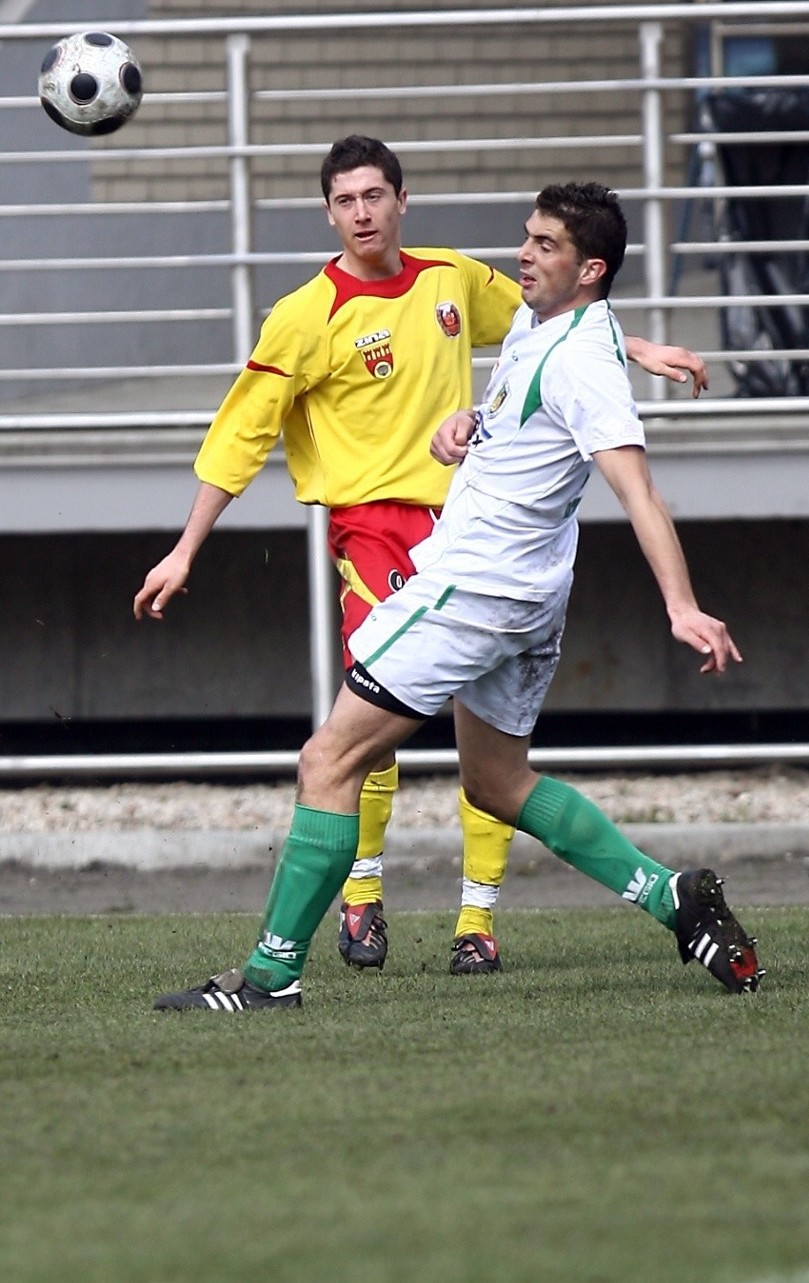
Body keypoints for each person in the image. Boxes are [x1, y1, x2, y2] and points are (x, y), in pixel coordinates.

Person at [135, 136, 711, 980]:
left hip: (473, 544)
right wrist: (187, 547)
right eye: (346, 201)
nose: (362, 213)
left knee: (356, 750)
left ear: (404, 200)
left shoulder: (449, 278)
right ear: (328, 212)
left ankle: (438, 928)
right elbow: (241, 436)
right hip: (382, 532)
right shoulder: (304, 315)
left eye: (375, 195)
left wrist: (637, 348)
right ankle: (363, 892)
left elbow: (551, 323)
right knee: (398, 747)